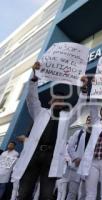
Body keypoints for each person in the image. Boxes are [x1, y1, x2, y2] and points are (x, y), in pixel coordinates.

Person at [12, 62, 88, 200]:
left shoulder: (67, 117)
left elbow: (80, 107)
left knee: (46, 195)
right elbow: (31, 98)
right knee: (24, 193)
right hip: (34, 155)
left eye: (62, 100)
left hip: (51, 156)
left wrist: (83, 89)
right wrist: (34, 77)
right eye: (56, 99)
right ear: (50, 102)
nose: (59, 101)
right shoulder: (39, 112)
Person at [65, 116, 92, 200]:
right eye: (88, 119)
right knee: (72, 193)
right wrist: (75, 158)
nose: (90, 121)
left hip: (88, 168)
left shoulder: (96, 136)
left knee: (84, 194)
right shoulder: (79, 132)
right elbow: (70, 147)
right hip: (77, 166)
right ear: (86, 122)